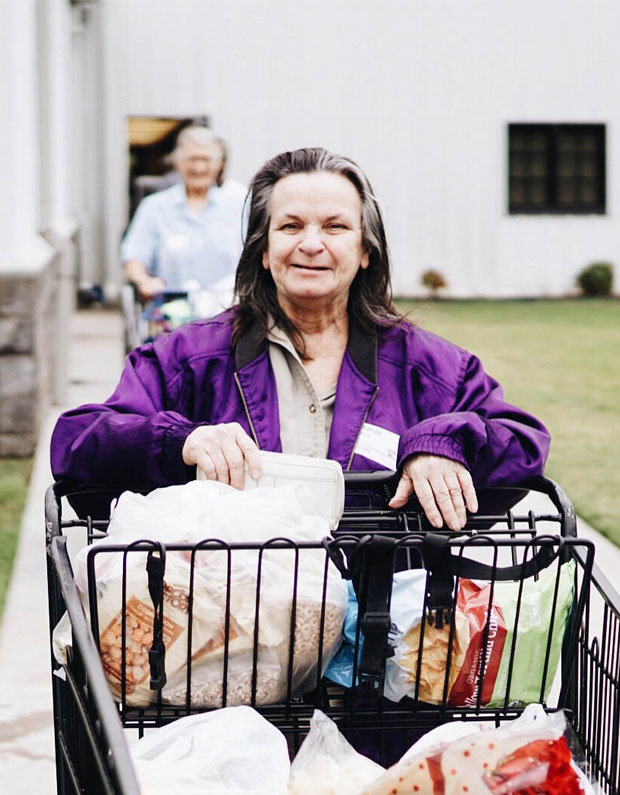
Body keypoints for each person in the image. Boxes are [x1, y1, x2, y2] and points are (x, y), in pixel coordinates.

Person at [52, 147, 550, 532]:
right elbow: (78, 443)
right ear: (264, 251)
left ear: (365, 252)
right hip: (231, 639)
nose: (311, 243)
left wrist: (443, 442)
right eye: (290, 226)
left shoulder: (430, 367)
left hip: (383, 643)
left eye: (335, 226)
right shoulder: (186, 359)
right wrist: (182, 440)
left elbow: (522, 441)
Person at [121, 126, 246, 300]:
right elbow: (134, 256)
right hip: (172, 314)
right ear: (178, 163)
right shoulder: (154, 207)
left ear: (219, 164)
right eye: (192, 159)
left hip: (228, 313)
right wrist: (144, 281)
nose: (199, 167)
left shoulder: (240, 205)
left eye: (206, 159)